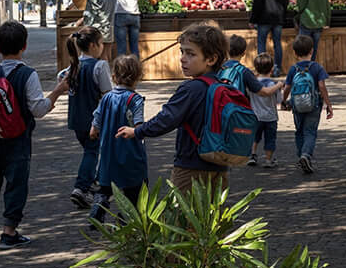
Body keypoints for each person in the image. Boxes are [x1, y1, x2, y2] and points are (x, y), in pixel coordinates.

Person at [119, 21, 230, 192]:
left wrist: (137, 131)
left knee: (182, 216)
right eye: (182, 51)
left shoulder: (191, 89)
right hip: (219, 164)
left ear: (211, 59)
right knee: (213, 216)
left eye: (191, 54)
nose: (182, 58)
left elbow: (166, 119)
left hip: (191, 166)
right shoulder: (223, 86)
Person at [0, 20, 52, 247]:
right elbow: (38, 110)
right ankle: (9, 231)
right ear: (24, 46)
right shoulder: (28, 74)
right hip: (18, 138)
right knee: (16, 182)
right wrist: (56, 92)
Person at [51, 27, 111, 210]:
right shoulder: (99, 66)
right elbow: (107, 92)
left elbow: (61, 77)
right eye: (101, 44)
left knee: (90, 151)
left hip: (76, 120)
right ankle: (82, 187)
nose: (102, 47)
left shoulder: (73, 67)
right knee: (91, 152)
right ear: (93, 45)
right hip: (94, 119)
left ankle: (91, 181)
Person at [89, 53, 148, 218]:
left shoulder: (107, 97)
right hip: (130, 151)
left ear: (114, 77)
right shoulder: (135, 99)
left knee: (106, 185)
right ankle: (126, 219)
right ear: (138, 77)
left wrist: (94, 130)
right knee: (134, 187)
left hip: (108, 150)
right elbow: (138, 125)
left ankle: (99, 205)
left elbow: (96, 122)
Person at [284, 34, 332, 175]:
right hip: (314, 105)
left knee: (299, 131)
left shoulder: (293, 69)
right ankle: (306, 155)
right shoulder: (317, 67)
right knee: (310, 131)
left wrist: (284, 100)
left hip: (297, 105)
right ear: (312, 50)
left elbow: (287, 87)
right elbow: (321, 86)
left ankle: (301, 156)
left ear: (294, 53)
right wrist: (328, 104)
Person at [247, 51, 284, 168]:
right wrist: (279, 87)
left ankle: (252, 155)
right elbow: (279, 100)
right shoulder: (273, 84)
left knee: (254, 136)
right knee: (270, 139)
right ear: (272, 69)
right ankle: (268, 160)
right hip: (270, 117)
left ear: (256, 68)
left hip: (255, 116)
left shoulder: (252, 84)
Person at [251, 0, 289, 71]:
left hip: (264, 17)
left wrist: (253, 18)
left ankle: (262, 69)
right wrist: (283, 13)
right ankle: (277, 69)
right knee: (277, 43)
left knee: (262, 43)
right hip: (278, 18)